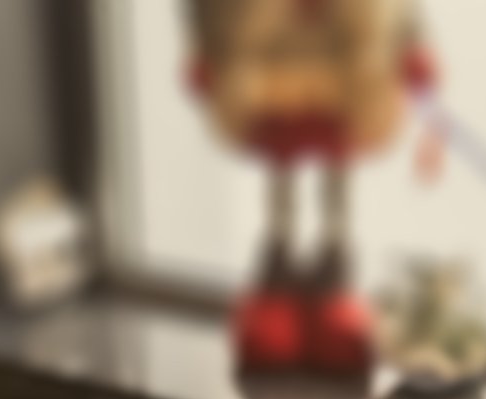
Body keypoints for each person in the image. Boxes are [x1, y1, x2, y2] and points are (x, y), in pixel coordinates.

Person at [184, 0, 436, 374]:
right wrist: (211, 56)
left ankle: (331, 281)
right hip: (270, 86)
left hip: (346, 84)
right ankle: (279, 278)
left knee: (334, 190)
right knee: (283, 192)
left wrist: (411, 52)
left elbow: (403, 19)